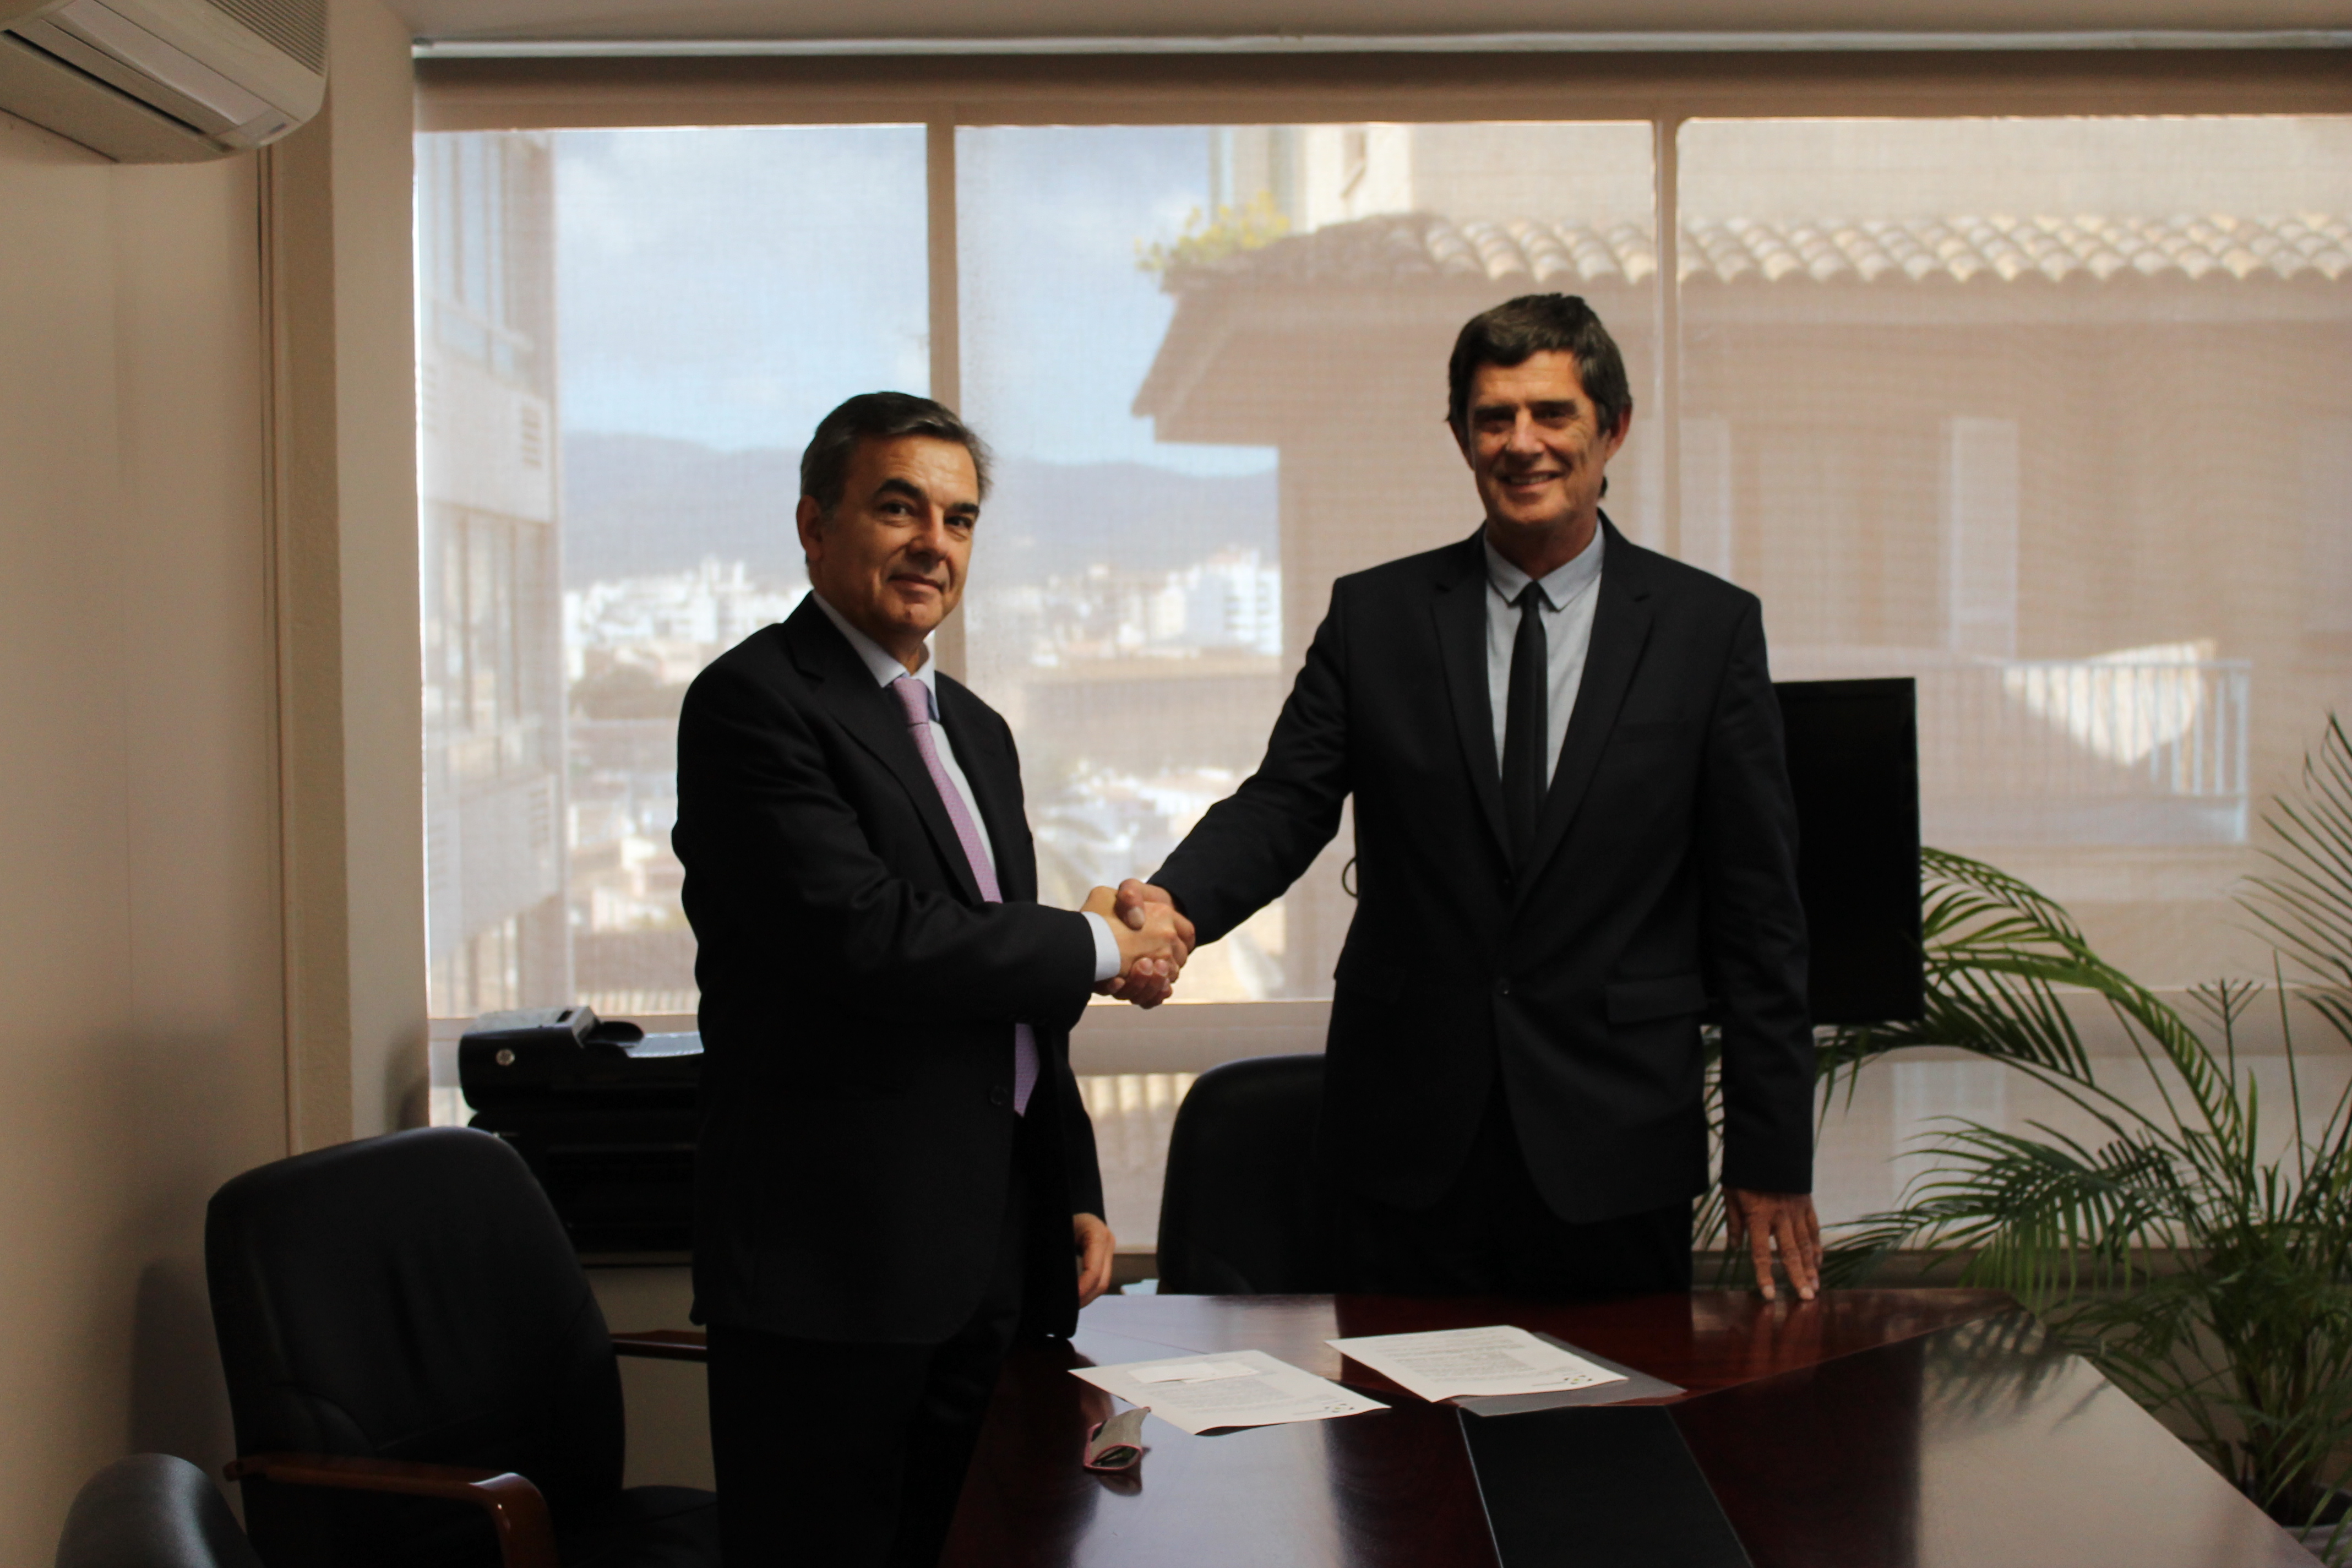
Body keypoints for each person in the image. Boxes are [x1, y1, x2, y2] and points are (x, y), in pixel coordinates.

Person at [1114, 294, 1822, 1302]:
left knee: (1612, 1409)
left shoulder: (1707, 631)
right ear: (1461, 438)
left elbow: (1761, 916)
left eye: (1553, 413)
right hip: (1407, 1145)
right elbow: (1283, 803)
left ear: (1613, 429)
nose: (1522, 443)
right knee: (1394, 1407)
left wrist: (1771, 1155)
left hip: (1615, 1148)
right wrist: (1175, 905)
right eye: (1494, 418)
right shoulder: (1377, 617)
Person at [673, 391, 1190, 1568]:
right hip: (833, 1273)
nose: (933, 544)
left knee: (994, 1543)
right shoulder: (753, 704)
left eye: (959, 520)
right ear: (815, 524)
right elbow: (873, 938)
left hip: (994, 1251)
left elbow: (1002, 988)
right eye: (898, 508)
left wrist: (1068, 1181)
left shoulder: (977, 729)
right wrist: (1103, 943)